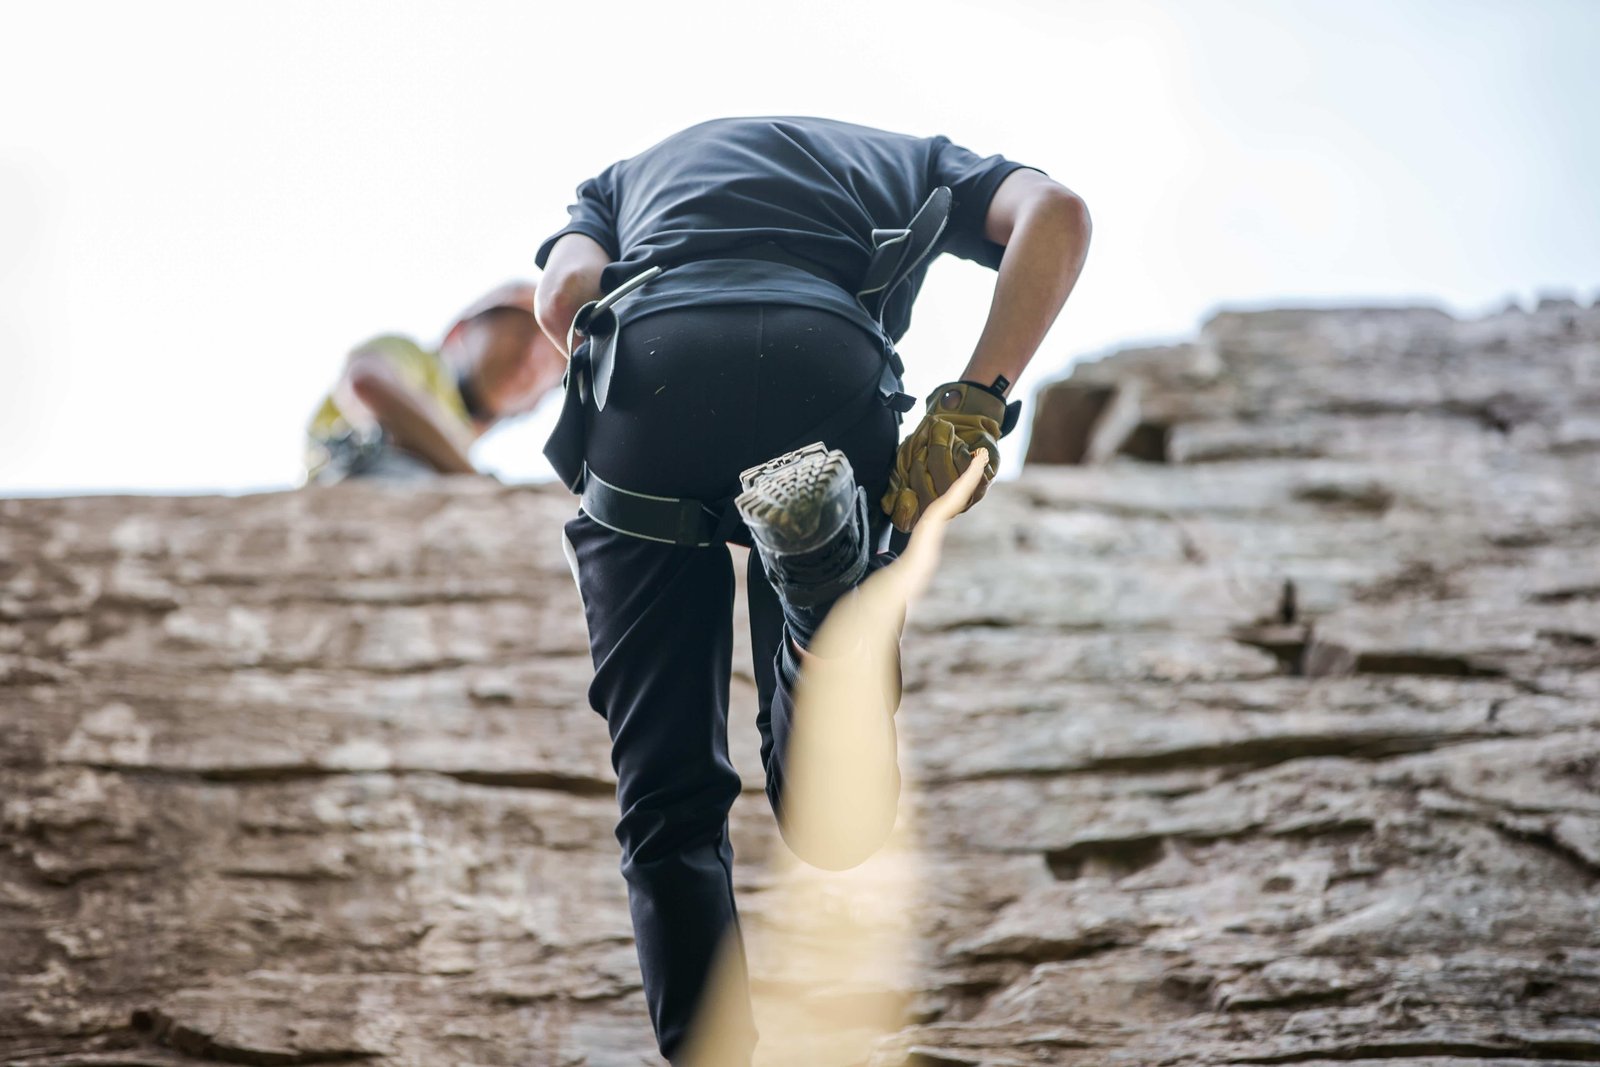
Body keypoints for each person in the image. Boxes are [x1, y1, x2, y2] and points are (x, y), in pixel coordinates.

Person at [534, 117, 1091, 1064]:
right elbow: (1058, 213)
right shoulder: (912, 160)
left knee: (665, 798)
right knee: (836, 823)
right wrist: (976, 398)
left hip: (651, 372)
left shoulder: (620, 181)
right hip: (823, 364)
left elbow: (564, 296)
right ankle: (815, 613)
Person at [303, 281, 567, 483]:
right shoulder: (414, 358)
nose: (529, 358)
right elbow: (366, 383)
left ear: (536, 403)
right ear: (460, 332)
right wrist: (473, 479)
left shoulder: (461, 458)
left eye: (549, 359)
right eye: (519, 334)